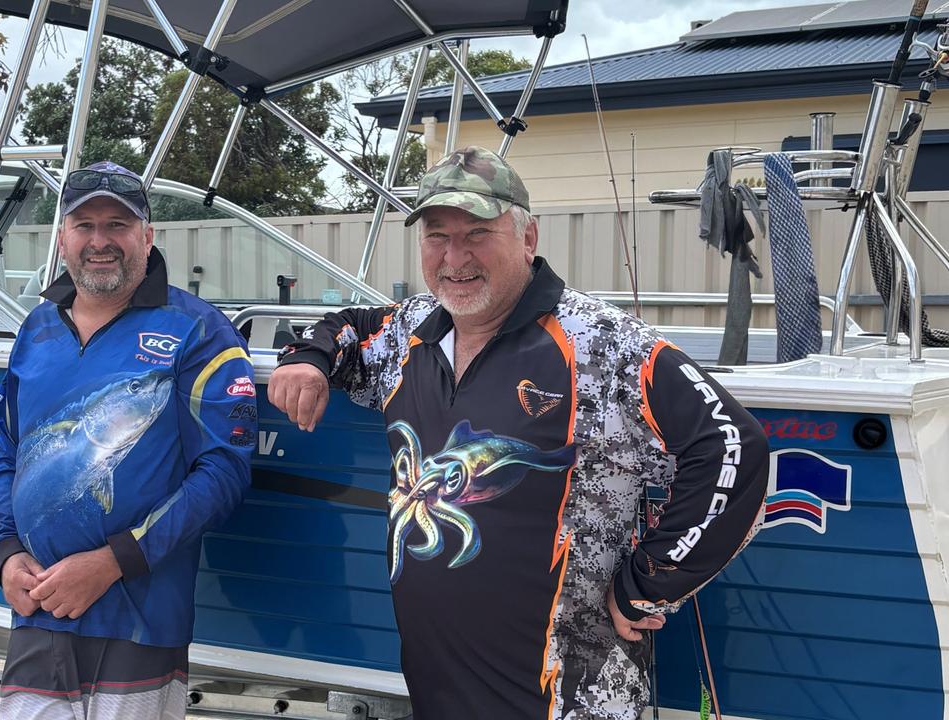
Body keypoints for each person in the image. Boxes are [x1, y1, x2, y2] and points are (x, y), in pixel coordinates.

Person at [269, 147, 769, 719]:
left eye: (478, 233)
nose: (455, 257)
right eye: (437, 236)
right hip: (440, 685)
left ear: (528, 237)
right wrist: (306, 358)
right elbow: (347, 325)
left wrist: (648, 584)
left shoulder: (603, 343)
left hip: (569, 696)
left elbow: (734, 444)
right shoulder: (410, 331)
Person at [0, 161, 255, 719]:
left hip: (141, 619)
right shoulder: (35, 330)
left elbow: (224, 473)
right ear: (61, 238)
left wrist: (112, 561)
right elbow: (7, 455)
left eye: (118, 225)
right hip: (38, 613)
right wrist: (6, 554)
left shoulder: (200, 330)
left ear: (148, 237)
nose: (100, 241)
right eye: (84, 225)